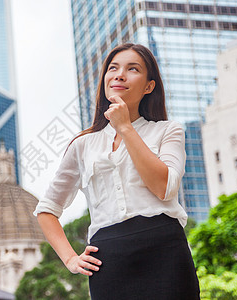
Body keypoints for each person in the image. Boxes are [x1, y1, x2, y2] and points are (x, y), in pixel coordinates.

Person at [33, 43, 200, 299]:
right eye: (113, 68)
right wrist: (70, 259)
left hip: (165, 251)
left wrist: (125, 127)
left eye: (133, 69)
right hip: (108, 260)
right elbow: (47, 210)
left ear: (149, 86)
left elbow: (164, 188)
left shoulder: (168, 131)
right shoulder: (83, 145)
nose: (120, 74)